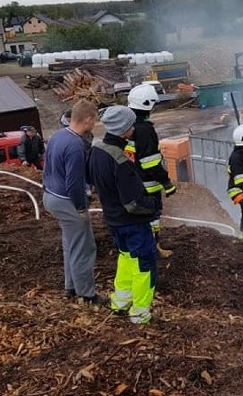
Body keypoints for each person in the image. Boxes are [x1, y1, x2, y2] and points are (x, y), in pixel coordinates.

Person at [88, 106, 161, 324]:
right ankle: (140, 313)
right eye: (131, 126)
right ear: (125, 130)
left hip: (113, 220)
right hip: (133, 223)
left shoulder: (96, 150)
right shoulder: (121, 161)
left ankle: (120, 302)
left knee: (126, 259)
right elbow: (133, 203)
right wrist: (153, 206)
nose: (133, 129)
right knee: (144, 265)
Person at [42, 99, 104, 304]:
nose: (94, 124)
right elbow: (74, 182)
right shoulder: (76, 145)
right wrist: (80, 208)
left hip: (50, 196)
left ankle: (71, 287)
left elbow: (47, 167)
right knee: (84, 248)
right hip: (66, 201)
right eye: (94, 119)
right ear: (87, 119)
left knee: (70, 243)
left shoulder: (57, 136)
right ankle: (87, 294)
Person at [124, 84, 176, 258]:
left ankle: (149, 246)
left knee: (143, 215)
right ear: (148, 105)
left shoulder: (129, 126)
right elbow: (150, 163)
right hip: (148, 184)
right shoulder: (145, 130)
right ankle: (154, 248)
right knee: (152, 215)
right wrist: (166, 182)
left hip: (133, 180)